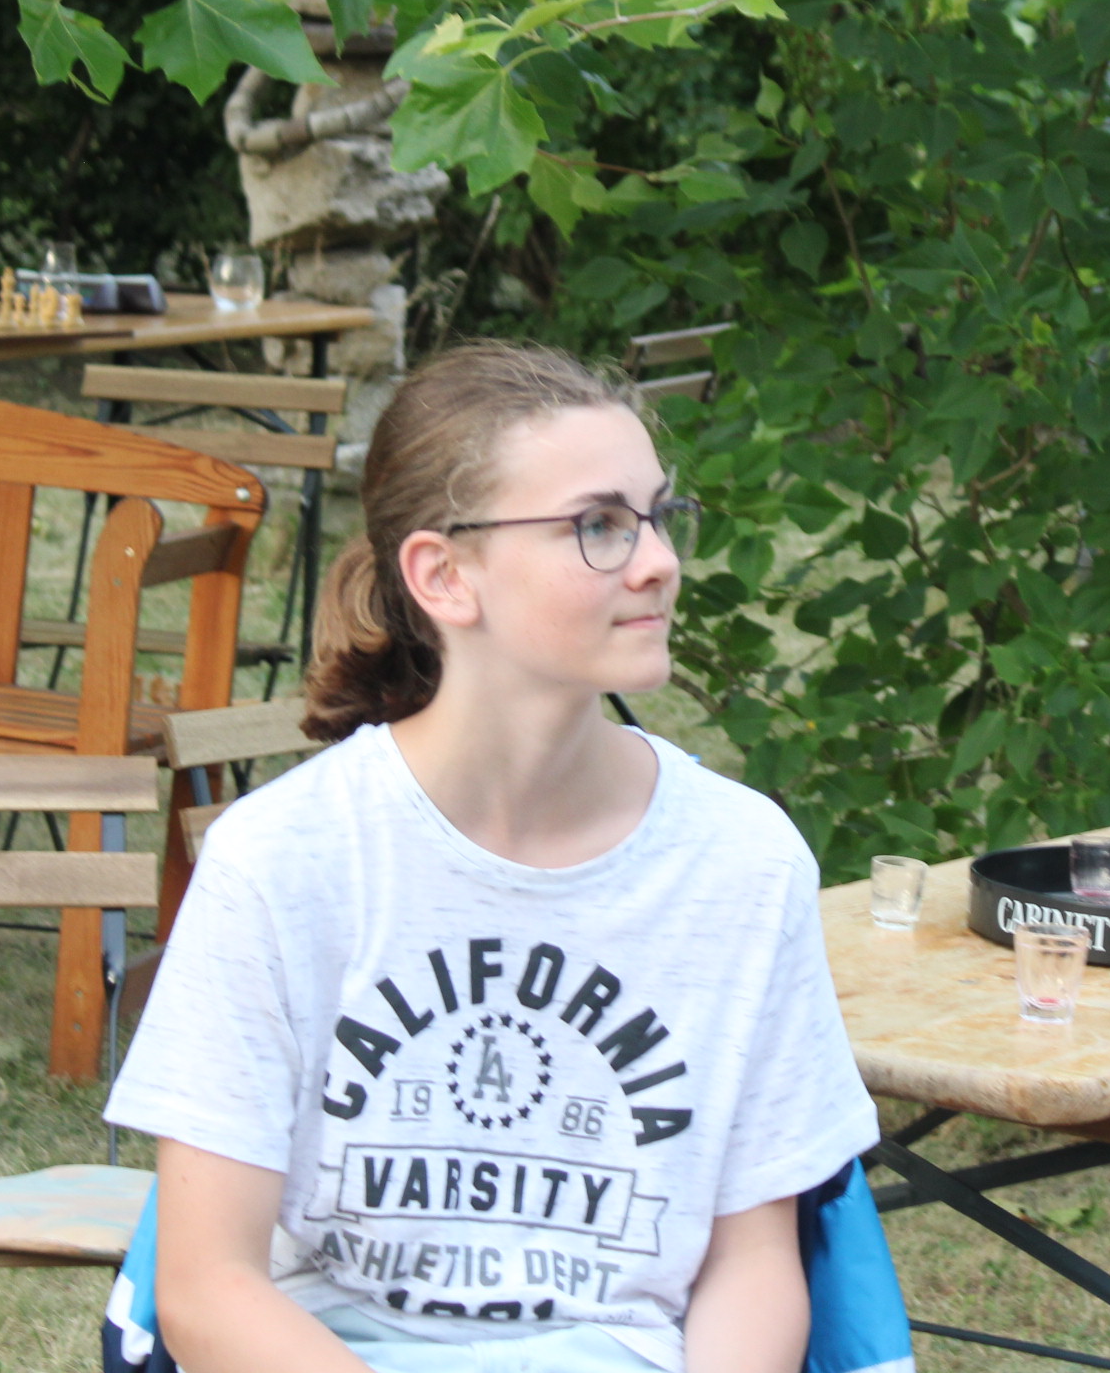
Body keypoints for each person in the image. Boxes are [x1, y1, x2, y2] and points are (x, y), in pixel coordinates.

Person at [106, 341, 877, 1373]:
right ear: (444, 575)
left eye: (659, 514)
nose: (659, 560)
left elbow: (754, 1265)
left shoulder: (742, 862)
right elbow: (207, 1290)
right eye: (599, 525)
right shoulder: (284, 859)